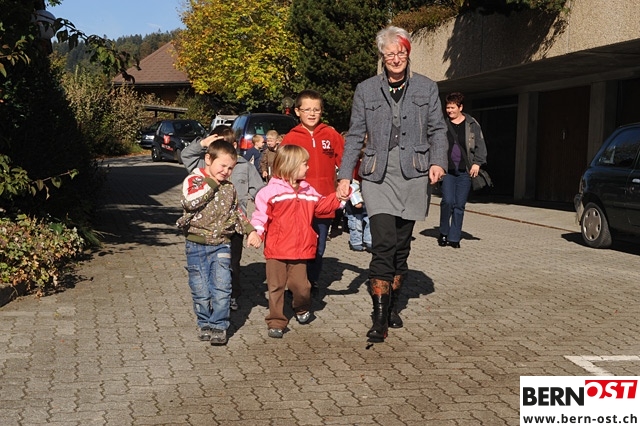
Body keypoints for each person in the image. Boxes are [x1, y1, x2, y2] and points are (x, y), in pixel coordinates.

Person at [337, 26, 448, 343]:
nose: (396, 59)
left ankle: (393, 305)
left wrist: (438, 161)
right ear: (382, 57)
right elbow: (355, 134)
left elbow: (437, 129)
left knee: (401, 245)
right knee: (383, 242)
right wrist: (344, 175)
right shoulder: (366, 90)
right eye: (390, 54)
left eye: (401, 53)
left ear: (407, 53)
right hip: (378, 175)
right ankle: (379, 318)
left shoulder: (426, 87)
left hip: (414, 174)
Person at [250, 145, 345, 338]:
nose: (308, 167)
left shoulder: (308, 190)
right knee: (275, 287)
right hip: (276, 250)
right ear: (290, 165)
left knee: (302, 287)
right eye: (304, 164)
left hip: (301, 249)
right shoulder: (269, 192)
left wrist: (338, 197)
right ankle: (276, 321)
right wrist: (256, 233)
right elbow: (260, 215)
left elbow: (322, 207)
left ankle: (301, 307)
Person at [177, 140, 261, 346]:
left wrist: (250, 231)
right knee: (200, 289)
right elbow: (190, 202)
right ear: (208, 159)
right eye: (222, 166)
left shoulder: (229, 188)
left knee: (222, 287)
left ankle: (219, 325)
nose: (226, 171)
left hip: (222, 244)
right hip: (196, 245)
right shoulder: (194, 180)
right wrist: (212, 183)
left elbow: (237, 212)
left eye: (230, 168)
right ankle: (204, 322)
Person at [280, 89, 344, 290]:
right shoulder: (291, 138)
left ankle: (311, 280)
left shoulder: (331, 135)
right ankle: (296, 283)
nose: (312, 113)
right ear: (297, 111)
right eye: (307, 109)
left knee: (319, 245)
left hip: (324, 202)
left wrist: (349, 182)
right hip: (297, 203)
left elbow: (346, 162)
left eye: (316, 109)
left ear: (321, 111)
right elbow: (281, 169)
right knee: (297, 244)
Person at [438, 92, 487, 249]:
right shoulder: (442, 124)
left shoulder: (472, 124)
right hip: (447, 170)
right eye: (448, 108)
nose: (449, 111)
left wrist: (477, 163)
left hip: (465, 170)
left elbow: (480, 145)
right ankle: (444, 232)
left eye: (452, 108)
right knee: (447, 201)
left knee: (459, 204)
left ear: (460, 107)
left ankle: (454, 237)